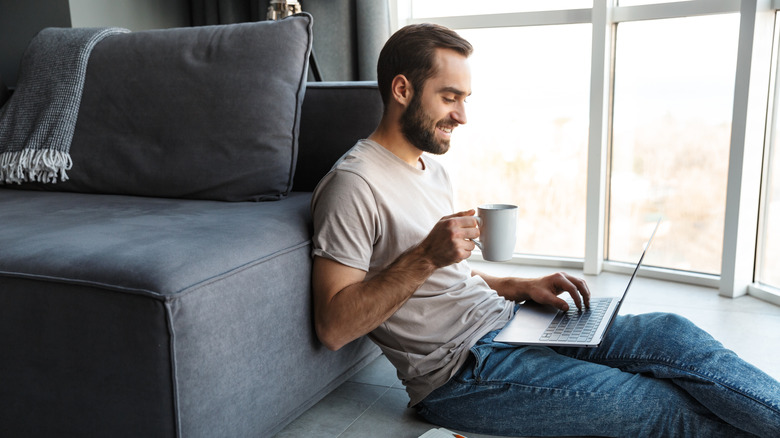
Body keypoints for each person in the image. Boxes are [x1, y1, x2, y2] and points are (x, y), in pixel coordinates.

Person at [310, 23, 780, 437]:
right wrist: (426, 256)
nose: (462, 115)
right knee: (657, 406)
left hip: (508, 323)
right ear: (402, 90)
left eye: (465, 99)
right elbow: (333, 326)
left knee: (675, 337)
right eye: (449, 97)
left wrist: (517, 286)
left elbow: (440, 282)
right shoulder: (353, 185)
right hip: (463, 374)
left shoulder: (428, 169)